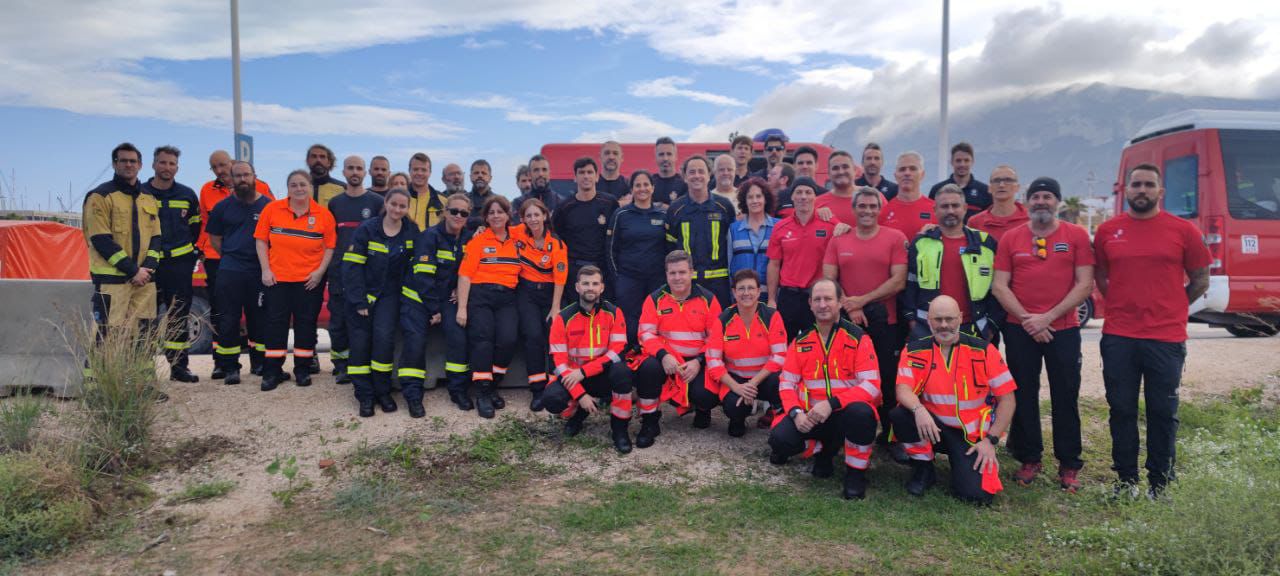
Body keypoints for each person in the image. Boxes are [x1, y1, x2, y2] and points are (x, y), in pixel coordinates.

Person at [1094, 163, 1211, 498]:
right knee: (1121, 409)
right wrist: (1121, 303)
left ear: (1160, 192)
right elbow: (1101, 276)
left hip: (1165, 338)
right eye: (1136, 184)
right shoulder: (1108, 231)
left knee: (1162, 412)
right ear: (1126, 191)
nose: (1142, 190)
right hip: (1119, 336)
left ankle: (1160, 483)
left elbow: (1201, 279)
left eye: (1148, 184)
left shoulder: (1183, 230)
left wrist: (1174, 306)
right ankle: (1125, 481)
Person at [991, 177, 1094, 492]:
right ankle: (1029, 458)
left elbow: (1084, 284)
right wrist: (1028, 321)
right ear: (1027, 202)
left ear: (1057, 202)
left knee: (1066, 395)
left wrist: (1047, 317)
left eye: (1048, 196)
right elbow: (999, 286)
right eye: (1036, 197)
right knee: (1023, 394)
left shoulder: (1076, 235)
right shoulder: (1012, 238)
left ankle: (1069, 463)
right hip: (1020, 329)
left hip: (1063, 329)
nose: (1041, 202)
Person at [890, 296, 1016, 505]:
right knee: (901, 414)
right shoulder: (913, 350)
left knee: (976, 496)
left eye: (949, 319)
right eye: (937, 319)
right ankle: (923, 468)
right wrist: (919, 410)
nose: (944, 325)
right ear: (928, 320)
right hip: (932, 428)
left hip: (970, 436)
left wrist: (990, 441)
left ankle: (962, 465)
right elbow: (903, 390)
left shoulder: (984, 351)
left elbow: (1007, 400)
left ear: (960, 318)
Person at [768, 279, 882, 500]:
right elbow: (787, 383)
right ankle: (824, 450)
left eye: (828, 299)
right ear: (810, 304)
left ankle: (855, 473)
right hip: (811, 416)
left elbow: (871, 386)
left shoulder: (859, 338)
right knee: (780, 440)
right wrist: (796, 413)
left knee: (862, 414)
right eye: (817, 299)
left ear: (839, 302)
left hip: (844, 414)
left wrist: (831, 404)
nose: (822, 305)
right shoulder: (800, 342)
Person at [822, 187, 908, 456]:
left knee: (887, 380)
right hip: (848, 322)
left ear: (880, 209)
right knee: (846, 378)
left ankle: (891, 437)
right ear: (854, 209)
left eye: (873, 206)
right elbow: (829, 278)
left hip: (886, 322)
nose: (868, 211)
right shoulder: (839, 239)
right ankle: (844, 431)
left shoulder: (895, 237)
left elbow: (899, 280)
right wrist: (849, 305)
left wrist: (863, 301)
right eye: (862, 206)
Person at [254, 170, 337, 390]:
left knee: (306, 326)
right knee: (275, 325)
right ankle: (272, 372)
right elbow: (261, 241)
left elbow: (330, 247)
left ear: (310, 187)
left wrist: (319, 273)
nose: (299, 188)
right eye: (293, 185)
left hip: (309, 282)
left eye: (303, 184)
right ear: (288, 188)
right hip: (277, 280)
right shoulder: (272, 209)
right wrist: (265, 270)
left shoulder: (323, 215)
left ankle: (302, 370)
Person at [342, 188, 418, 416]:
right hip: (362, 295)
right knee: (360, 345)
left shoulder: (411, 231)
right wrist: (359, 301)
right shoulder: (367, 229)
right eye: (394, 204)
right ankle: (364, 395)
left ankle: (382, 392)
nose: (397, 209)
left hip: (390, 297)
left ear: (407, 208)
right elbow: (352, 266)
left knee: (384, 343)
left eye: (402, 206)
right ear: (386, 202)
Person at [634, 250, 724, 447]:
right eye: (672, 273)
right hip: (667, 360)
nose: (677, 278)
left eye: (682, 272)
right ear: (666, 274)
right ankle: (650, 421)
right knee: (647, 368)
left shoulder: (708, 299)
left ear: (691, 272)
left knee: (706, 396)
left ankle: (702, 409)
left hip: (696, 361)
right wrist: (663, 355)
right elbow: (645, 334)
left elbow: (716, 339)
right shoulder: (655, 299)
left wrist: (699, 362)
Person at [197, 150, 272, 380]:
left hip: (258, 271)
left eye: (246, 175)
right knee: (228, 319)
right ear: (232, 178)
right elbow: (214, 239)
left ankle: (259, 364)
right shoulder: (222, 207)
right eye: (238, 176)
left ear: (254, 176)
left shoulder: (268, 206)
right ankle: (230, 367)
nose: (242, 179)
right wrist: (231, 256)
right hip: (230, 271)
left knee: (258, 319)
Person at [544, 265, 634, 453]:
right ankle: (578, 415)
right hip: (573, 378)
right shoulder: (563, 318)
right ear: (577, 287)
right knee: (552, 399)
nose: (590, 288)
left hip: (599, 375)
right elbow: (558, 363)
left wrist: (584, 372)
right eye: (585, 284)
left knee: (622, 372)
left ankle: (619, 429)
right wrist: (580, 395)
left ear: (602, 287)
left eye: (595, 283)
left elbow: (617, 352)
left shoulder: (614, 313)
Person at [400, 193, 475, 411]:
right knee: (415, 342)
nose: (458, 216)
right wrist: (434, 309)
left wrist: (458, 288)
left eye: (464, 213)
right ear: (445, 212)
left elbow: (469, 270)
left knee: (458, 337)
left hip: (446, 299)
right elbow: (423, 277)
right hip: (418, 298)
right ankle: (413, 395)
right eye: (454, 211)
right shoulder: (429, 237)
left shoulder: (468, 239)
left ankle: (458, 390)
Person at [904, 184, 1001, 341]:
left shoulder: (985, 243)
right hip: (929, 328)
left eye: (955, 206)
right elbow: (909, 285)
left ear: (965, 208)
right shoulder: (921, 243)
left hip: (974, 327)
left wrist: (991, 326)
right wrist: (912, 321)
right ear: (935, 210)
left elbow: (997, 288)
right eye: (944, 206)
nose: (950, 211)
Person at [84, 142, 162, 333]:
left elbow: (156, 237)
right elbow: (100, 239)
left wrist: (147, 269)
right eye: (123, 161)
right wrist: (133, 271)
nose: (129, 164)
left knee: (143, 336)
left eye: (133, 161)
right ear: (114, 164)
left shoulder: (149, 198)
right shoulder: (100, 196)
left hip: (144, 281)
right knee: (107, 335)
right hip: (112, 280)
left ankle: (141, 359)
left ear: (140, 165)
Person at [457, 195, 522, 419]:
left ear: (508, 215)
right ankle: (483, 393)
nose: (496, 216)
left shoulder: (518, 237)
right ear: (485, 217)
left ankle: (493, 384)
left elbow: (538, 225)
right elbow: (465, 275)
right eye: (491, 212)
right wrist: (462, 308)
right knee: (483, 341)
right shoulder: (478, 241)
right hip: (481, 296)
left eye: (500, 212)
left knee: (508, 339)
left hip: (507, 297)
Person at [142, 145, 201, 383]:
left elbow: (195, 227)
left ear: (177, 167)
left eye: (172, 163)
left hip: (179, 266)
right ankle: (145, 369)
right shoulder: (141, 193)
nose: (167, 167)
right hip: (148, 266)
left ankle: (178, 368)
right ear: (153, 164)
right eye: (163, 162)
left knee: (178, 316)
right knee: (146, 318)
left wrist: (188, 256)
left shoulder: (187, 194)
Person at [705, 270, 787, 437]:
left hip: (764, 378)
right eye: (741, 288)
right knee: (732, 408)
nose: (746, 293)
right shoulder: (723, 319)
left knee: (778, 382)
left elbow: (780, 356)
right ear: (734, 292)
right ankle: (739, 418)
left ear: (758, 291)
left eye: (751, 288)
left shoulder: (772, 316)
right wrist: (737, 387)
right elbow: (713, 360)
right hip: (737, 379)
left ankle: (779, 414)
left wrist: (753, 383)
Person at [326, 156, 384, 384]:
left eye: (359, 168)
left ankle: (361, 363)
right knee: (338, 323)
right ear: (343, 172)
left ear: (365, 172)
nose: (355, 172)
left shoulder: (377, 202)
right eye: (350, 168)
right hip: (339, 271)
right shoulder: (335, 203)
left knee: (364, 322)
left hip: (367, 273)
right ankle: (342, 366)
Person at [514, 199, 568, 412]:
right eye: (529, 215)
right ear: (523, 219)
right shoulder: (518, 233)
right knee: (533, 336)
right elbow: (496, 228)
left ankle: (554, 388)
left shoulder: (557, 243)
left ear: (545, 216)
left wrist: (555, 308)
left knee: (553, 337)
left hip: (550, 294)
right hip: (526, 293)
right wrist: (480, 228)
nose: (533, 219)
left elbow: (560, 278)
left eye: (537, 214)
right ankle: (537, 390)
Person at [767, 177, 837, 339]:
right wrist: (771, 299)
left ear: (815, 197)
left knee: (818, 344)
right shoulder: (780, 227)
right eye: (799, 192)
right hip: (788, 297)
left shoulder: (830, 225)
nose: (803, 196)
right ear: (792, 197)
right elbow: (774, 264)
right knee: (784, 344)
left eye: (808, 192)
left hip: (817, 297)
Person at [606, 170, 667, 347]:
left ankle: (654, 355)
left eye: (646, 184)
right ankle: (629, 357)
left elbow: (669, 247)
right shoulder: (621, 214)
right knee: (629, 323)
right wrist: (617, 278)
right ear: (631, 189)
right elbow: (610, 249)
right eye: (637, 185)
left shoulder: (663, 215)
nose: (642, 189)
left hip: (657, 280)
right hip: (628, 279)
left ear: (653, 188)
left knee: (655, 321)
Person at [666, 156, 735, 307]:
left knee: (720, 321)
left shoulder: (724, 206)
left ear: (709, 175)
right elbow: (669, 248)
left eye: (701, 171)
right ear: (685, 177)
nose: (697, 176)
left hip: (719, 283)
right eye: (692, 172)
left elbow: (732, 245)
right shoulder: (675, 209)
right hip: (687, 283)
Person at [552, 157, 618, 299]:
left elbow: (617, 237)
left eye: (590, 172)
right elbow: (556, 240)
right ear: (575, 177)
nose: (586, 176)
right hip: (575, 272)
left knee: (604, 311)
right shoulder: (564, 207)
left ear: (597, 176)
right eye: (581, 172)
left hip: (603, 270)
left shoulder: (610, 203)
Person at [728, 177, 777, 293]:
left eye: (758, 196)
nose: (754, 201)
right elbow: (729, 264)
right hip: (742, 295)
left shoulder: (778, 227)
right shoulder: (733, 229)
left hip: (769, 294)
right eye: (750, 197)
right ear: (744, 201)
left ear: (766, 199)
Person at [879, 151, 934, 240]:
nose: (907, 173)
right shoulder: (884, 212)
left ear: (922, 174)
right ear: (895, 176)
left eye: (913, 169)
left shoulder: (936, 210)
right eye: (902, 169)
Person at [928, 142, 990, 220]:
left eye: (966, 160)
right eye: (958, 160)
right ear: (951, 162)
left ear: (972, 162)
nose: (962, 164)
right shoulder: (937, 190)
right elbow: (930, 217)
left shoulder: (985, 191)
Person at [967, 165, 1028, 241]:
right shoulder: (975, 223)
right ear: (989, 188)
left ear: (1017, 187)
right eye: (996, 180)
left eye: (1008, 180)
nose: (1001, 185)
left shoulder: (1030, 219)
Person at [814, 150, 861, 225]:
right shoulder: (817, 204)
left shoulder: (873, 198)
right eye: (835, 168)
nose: (841, 172)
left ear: (855, 170)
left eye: (845, 167)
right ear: (829, 174)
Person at [512, 154, 559, 223]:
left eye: (544, 170)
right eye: (536, 170)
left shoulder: (560, 202)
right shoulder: (519, 203)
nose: (540, 174)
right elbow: (517, 227)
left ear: (549, 173)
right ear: (530, 174)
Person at [406, 152, 446, 228]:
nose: (419, 173)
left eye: (424, 170)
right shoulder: (399, 198)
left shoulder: (443, 201)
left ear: (430, 173)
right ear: (409, 171)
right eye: (415, 169)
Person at [652, 136, 687, 203]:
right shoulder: (649, 184)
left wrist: (659, 205)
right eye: (661, 154)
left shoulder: (685, 184)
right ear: (656, 157)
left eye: (669, 154)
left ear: (675, 157)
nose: (665, 158)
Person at [465, 159, 496, 230]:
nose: (480, 175)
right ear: (470, 177)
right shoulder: (462, 200)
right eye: (476, 173)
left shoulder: (498, 201)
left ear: (490, 178)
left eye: (484, 173)